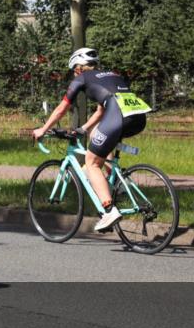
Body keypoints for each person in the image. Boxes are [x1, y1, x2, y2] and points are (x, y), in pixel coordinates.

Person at [32, 47, 151, 232]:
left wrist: (43, 129)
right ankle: (119, 185)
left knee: (91, 162)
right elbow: (101, 110)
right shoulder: (112, 75)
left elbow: (61, 109)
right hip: (138, 117)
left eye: (74, 70)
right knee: (97, 135)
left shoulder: (81, 79)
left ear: (78, 67)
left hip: (118, 115)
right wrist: (84, 129)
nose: (74, 73)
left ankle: (109, 211)